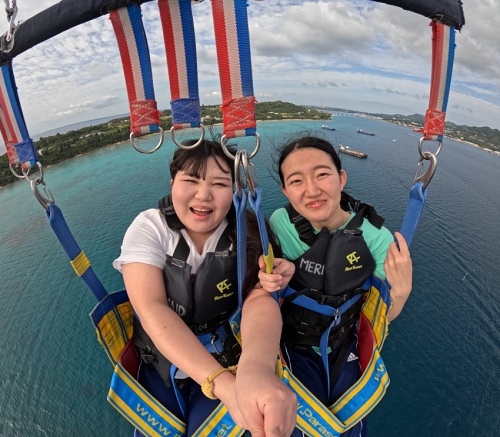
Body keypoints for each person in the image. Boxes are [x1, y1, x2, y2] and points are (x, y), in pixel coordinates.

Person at [113, 139, 297, 437]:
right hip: (161, 360)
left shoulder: (247, 231)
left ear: (235, 191)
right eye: (191, 180)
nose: (203, 195)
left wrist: (256, 369)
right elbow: (151, 307)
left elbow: (259, 300)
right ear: (172, 183)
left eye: (220, 183)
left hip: (225, 351)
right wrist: (223, 385)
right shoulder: (151, 227)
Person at [268, 136, 413, 436]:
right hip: (290, 345)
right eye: (296, 181)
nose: (312, 190)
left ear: (341, 178)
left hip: (344, 345)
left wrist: (400, 293)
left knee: (350, 427)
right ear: (284, 191)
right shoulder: (280, 224)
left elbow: (381, 316)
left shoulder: (377, 240)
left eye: (322, 174)